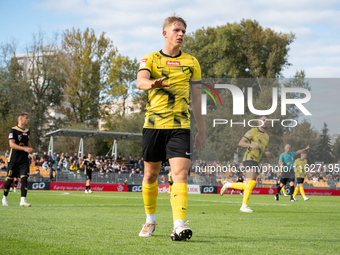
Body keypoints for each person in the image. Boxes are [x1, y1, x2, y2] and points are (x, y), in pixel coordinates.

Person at [137, 14, 205, 241]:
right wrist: (151, 84)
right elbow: (140, 81)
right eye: (177, 30)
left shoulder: (192, 62)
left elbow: (197, 98)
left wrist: (202, 130)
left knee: (181, 174)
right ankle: (150, 220)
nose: (181, 34)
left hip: (180, 126)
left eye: (184, 31)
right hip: (154, 125)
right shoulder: (150, 59)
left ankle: (178, 226)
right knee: (150, 176)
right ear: (165, 33)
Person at [220, 116, 270, 213]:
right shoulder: (253, 131)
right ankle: (244, 206)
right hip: (249, 158)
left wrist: (265, 153)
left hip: (256, 161)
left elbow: (259, 149)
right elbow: (241, 142)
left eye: (267, 121)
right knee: (251, 182)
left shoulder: (267, 137)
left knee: (250, 184)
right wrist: (250, 145)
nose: (265, 122)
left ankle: (228, 184)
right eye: (263, 120)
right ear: (259, 121)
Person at [2, 112, 34, 207]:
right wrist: (24, 148)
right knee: (10, 179)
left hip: (24, 159)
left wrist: (31, 151)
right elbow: (11, 144)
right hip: (14, 159)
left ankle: (22, 201)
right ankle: (5, 198)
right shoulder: (13, 130)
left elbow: (28, 144)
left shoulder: (27, 131)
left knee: (24, 178)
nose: (28, 120)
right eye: (26, 118)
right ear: (20, 119)